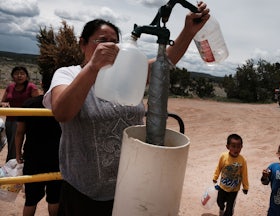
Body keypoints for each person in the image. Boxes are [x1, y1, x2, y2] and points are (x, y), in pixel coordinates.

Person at [42, 2, 210, 215]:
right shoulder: (68, 74)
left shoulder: (127, 75)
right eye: (102, 41)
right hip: (84, 194)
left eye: (115, 42)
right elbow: (62, 112)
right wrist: (93, 67)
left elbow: (165, 61)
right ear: (83, 44)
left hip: (130, 188)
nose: (110, 47)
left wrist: (188, 30)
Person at [15, 73, 62, 216]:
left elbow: (20, 132)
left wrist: (18, 154)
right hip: (57, 156)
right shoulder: (63, 105)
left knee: (30, 200)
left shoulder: (29, 104)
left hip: (33, 156)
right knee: (55, 199)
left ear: (42, 83)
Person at [1, 66, 39, 162]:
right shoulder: (10, 87)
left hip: (28, 121)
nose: (19, 76)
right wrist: (3, 104)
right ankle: (11, 166)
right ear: (12, 76)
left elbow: (37, 102)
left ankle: (23, 163)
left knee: (28, 144)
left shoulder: (31, 87)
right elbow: (2, 102)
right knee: (12, 145)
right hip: (11, 120)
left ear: (26, 76)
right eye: (16, 73)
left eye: (22, 73)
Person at [213, 133, 249, 216]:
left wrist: (246, 186)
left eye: (239, 146)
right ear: (227, 146)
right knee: (219, 202)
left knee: (229, 210)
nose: (236, 149)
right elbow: (219, 167)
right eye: (233, 146)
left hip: (234, 189)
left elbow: (244, 174)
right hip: (222, 187)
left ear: (241, 147)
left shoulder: (242, 160)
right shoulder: (223, 156)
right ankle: (221, 208)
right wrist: (215, 177)